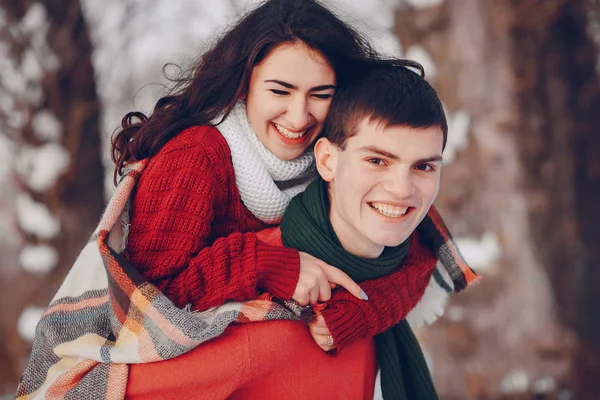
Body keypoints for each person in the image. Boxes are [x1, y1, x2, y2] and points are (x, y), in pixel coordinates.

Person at [17, 1, 476, 399]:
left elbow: (414, 253)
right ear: (245, 85)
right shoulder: (197, 159)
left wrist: (363, 311)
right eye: (280, 91)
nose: (299, 116)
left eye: (321, 95)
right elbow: (149, 305)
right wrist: (268, 264)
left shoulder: (347, 157)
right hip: (150, 354)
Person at [125, 65, 479, 399]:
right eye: (377, 160)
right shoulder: (260, 321)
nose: (402, 189)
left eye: (423, 166)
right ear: (327, 161)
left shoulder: (382, 296)